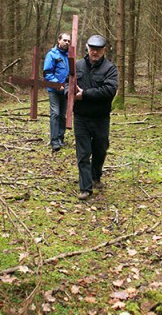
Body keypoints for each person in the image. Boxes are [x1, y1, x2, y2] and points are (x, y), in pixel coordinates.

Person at [73, 34, 118, 200]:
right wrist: (67, 93)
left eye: (98, 50)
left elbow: (109, 90)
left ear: (104, 50)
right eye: (92, 49)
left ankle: (95, 175)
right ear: (87, 49)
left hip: (100, 118)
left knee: (100, 148)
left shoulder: (110, 69)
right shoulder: (76, 66)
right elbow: (66, 85)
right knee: (83, 153)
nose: (95, 52)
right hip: (81, 117)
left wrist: (84, 94)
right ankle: (85, 188)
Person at [43, 32, 71, 152]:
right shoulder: (52, 54)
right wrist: (57, 84)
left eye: (69, 41)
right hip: (54, 89)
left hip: (66, 90)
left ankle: (60, 138)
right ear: (59, 40)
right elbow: (47, 72)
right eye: (65, 40)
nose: (67, 43)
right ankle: (54, 141)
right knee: (55, 113)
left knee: (63, 115)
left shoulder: (70, 55)